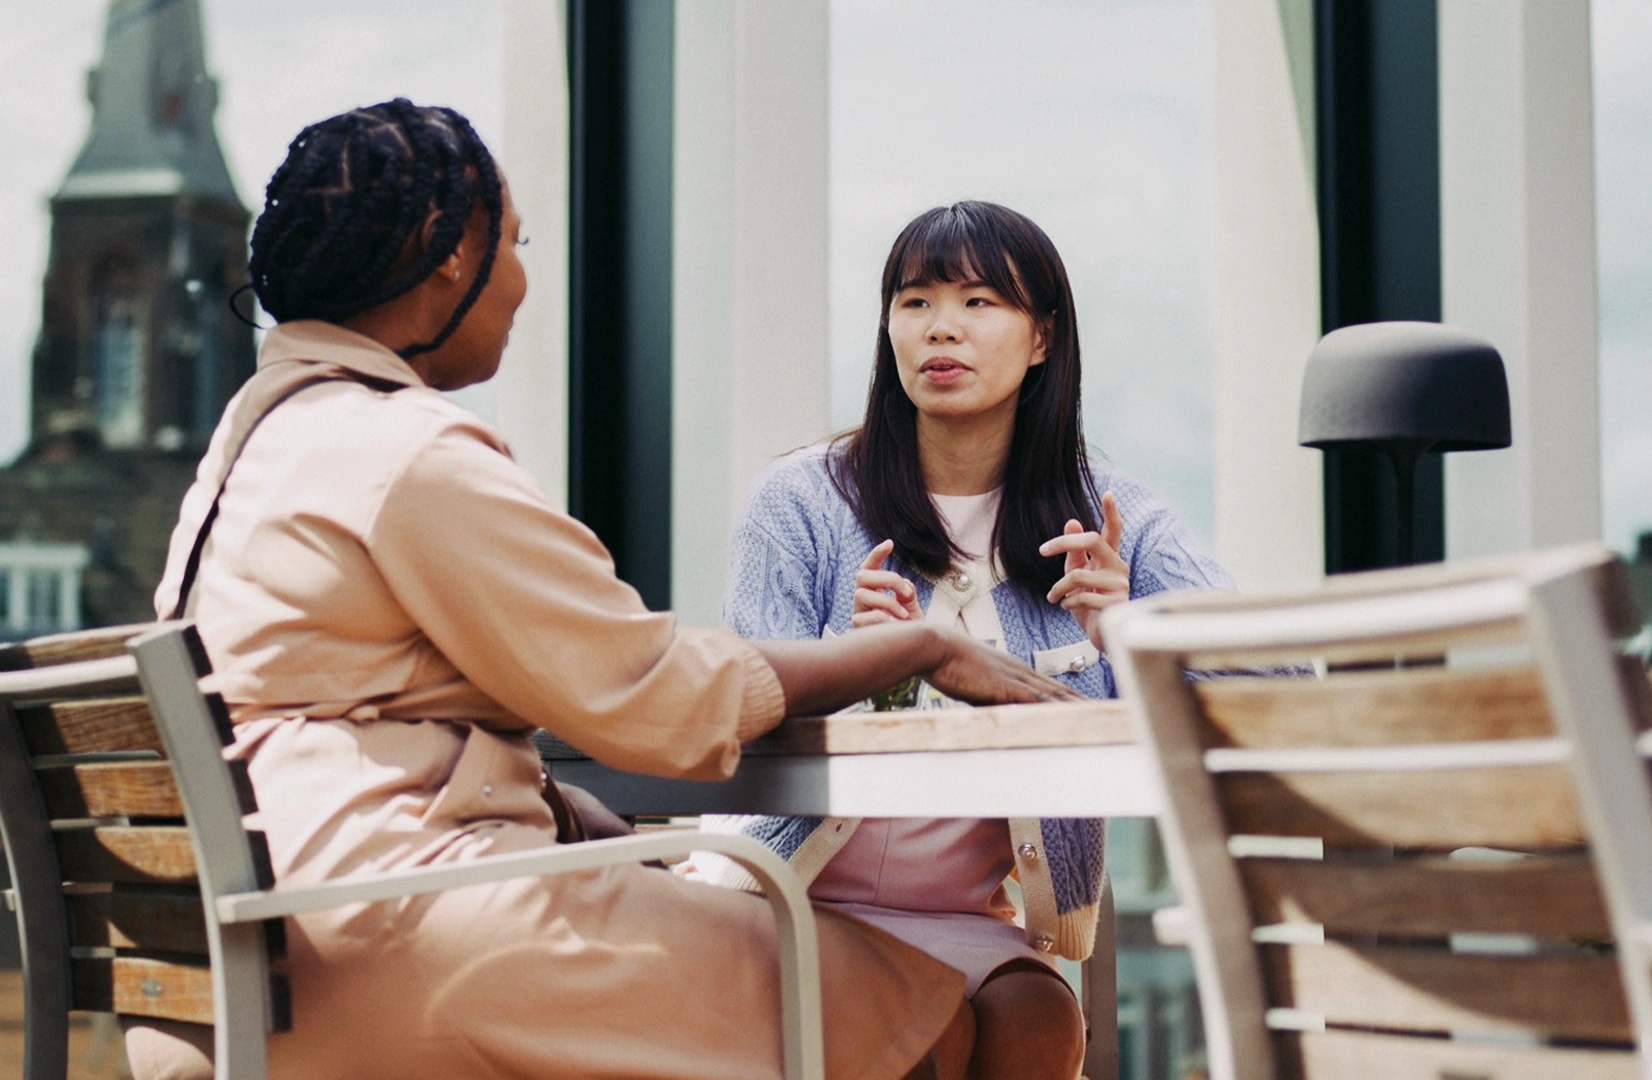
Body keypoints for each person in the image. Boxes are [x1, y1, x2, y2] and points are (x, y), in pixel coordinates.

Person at [129, 101, 1079, 1080]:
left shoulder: (253, 447)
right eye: (517, 242)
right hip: (396, 943)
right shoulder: (406, 452)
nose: (522, 283)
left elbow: (357, 702)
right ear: (446, 251)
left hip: (237, 951)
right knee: (930, 1011)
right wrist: (918, 647)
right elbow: (658, 695)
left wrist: (558, 805)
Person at [698, 201, 1234, 1080]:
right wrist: (857, 654)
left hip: (965, 915)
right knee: (926, 1038)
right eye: (915, 303)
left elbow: (1272, 672)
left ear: (1041, 339)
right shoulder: (799, 499)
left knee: (1040, 1021)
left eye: (979, 302)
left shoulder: (1111, 516)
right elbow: (746, 703)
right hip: (789, 891)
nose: (942, 327)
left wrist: (1131, 631)